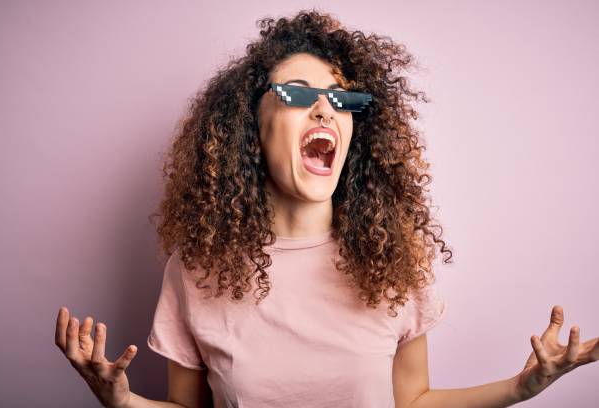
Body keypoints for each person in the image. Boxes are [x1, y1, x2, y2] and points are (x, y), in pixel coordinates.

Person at [54, 9, 598, 408]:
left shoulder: (394, 259)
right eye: (295, 94)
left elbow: (412, 403)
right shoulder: (196, 268)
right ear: (251, 127)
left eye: (342, 99)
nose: (324, 108)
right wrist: (123, 403)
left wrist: (521, 388)